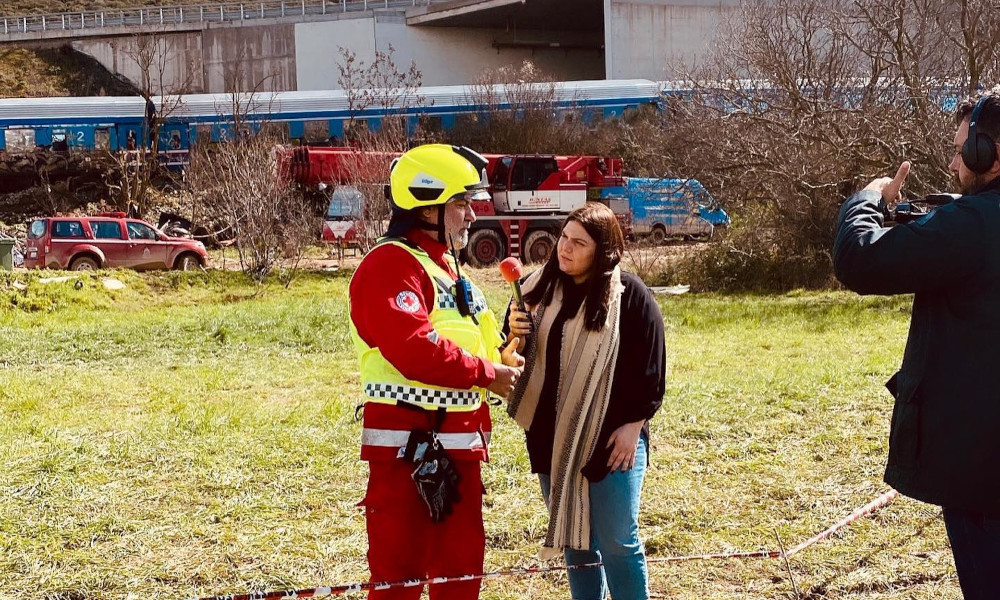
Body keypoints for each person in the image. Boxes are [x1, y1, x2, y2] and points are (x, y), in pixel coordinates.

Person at [833, 89, 1000, 600]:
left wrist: (870, 201)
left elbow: (859, 259)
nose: (953, 162)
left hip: (983, 468)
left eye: (960, 149)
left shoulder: (977, 224)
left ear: (988, 153)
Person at [349, 144, 524, 600]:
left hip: (458, 449)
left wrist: (503, 358)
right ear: (427, 206)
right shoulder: (391, 264)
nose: (471, 215)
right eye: (461, 204)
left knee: (460, 578)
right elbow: (414, 348)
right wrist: (488, 374)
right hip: (409, 451)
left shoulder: (444, 267)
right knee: (399, 580)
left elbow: (470, 343)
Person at [505, 202, 665, 600]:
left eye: (579, 242)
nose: (565, 248)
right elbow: (510, 358)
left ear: (604, 250)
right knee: (575, 542)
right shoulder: (535, 290)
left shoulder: (630, 296)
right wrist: (512, 333)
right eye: (564, 237)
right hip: (552, 438)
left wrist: (633, 429)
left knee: (617, 543)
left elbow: (652, 370)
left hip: (614, 441)